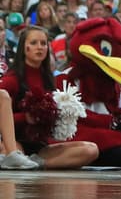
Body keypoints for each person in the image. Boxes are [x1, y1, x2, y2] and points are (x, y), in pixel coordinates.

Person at [0, 27, 99, 169]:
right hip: (14, 142)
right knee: (11, 152)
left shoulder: (49, 79)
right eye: (34, 43)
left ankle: (35, 164)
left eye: (43, 43)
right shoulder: (12, 79)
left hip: (40, 147)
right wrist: (25, 117)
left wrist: (60, 117)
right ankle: (18, 159)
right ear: (23, 48)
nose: (39, 47)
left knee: (91, 149)